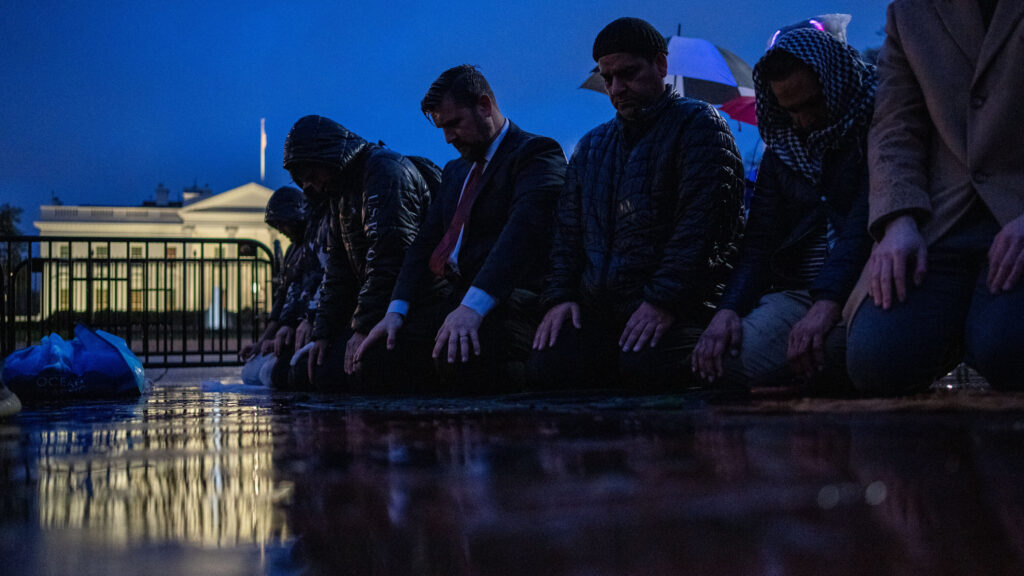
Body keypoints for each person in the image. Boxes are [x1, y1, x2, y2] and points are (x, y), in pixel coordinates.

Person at [529, 17, 744, 391]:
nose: (616, 88)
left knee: (646, 365)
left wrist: (664, 300)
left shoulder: (700, 126)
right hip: (602, 308)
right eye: (607, 77)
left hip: (680, 305)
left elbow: (702, 229)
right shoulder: (592, 146)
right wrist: (560, 297)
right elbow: (568, 233)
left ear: (660, 65)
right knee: (551, 365)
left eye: (628, 74)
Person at [845, 0, 1024, 395]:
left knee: (1007, 347)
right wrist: (898, 218)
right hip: (940, 220)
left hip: (1017, 212)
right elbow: (895, 123)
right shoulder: (911, 11)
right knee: (876, 357)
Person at [356, 65, 567, 393]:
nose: (448, 137)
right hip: (457, 298)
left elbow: (522, 234)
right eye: (442, 128)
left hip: (512, 299)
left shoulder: (536, 153)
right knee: (374, 358)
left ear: (485, 106)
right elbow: (423, 245)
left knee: (460, 358)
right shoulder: (455, 171)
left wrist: (473, 306)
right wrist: (396, 311)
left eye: (454, 124)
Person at [691, 28, 875, 391]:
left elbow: (862, 225)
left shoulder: (874, 125)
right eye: (790, 111)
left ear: (833, 83)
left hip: (867, 281)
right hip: (797, 291)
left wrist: (828, 304)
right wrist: (728, 310)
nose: (803, 121)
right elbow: (760, 239)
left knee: (849, 355)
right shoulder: (782, 147)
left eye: (811, 104)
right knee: (721, 362)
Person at [282, 115, 434, 391]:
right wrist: (323, 333)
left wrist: (363, 325)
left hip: (415, 307)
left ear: (328, 157)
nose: (314, 186)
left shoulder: (384, 171)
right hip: (384, 308)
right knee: (309, 370)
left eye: (314, 176)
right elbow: (338, 270)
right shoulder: (341, 194)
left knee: (359, 368)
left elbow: (391, 256)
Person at [239, 185, 322, 388]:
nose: (281, 231)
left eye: (283, 224)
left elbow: (312, 292)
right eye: (277, 226)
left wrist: (293, 327)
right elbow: (282, 303)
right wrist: (261, 343)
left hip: (308, 329)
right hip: (290, 332)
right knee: (249, 373)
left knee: (268, 374)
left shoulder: (315, 244)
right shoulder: (292, 251)